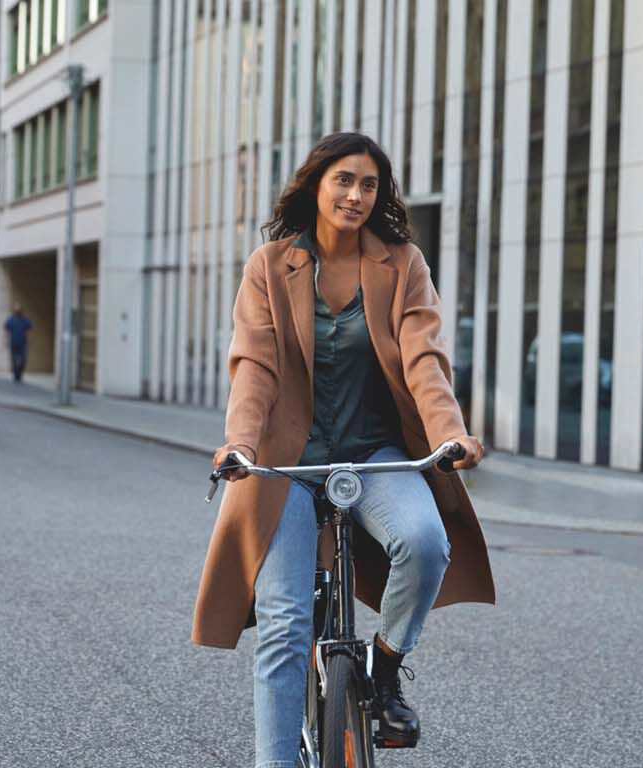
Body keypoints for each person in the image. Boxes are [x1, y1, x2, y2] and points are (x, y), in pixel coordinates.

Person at [194, 132, 496, 768]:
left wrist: (448, 432)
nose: (356, 195)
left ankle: (383, 671)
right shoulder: (271, 265)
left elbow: (424, 359)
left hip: (374, 453)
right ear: (316, 185)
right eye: (344, 181)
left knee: (424, 541)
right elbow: (256, 366)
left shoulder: (402, 263)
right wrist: (240, 444)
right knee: (283, 623)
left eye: (369, 184)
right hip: (287, 464)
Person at [4, 304, 32, 383]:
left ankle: (20, 372)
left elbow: (28, 331)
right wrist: (5, 341)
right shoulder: (11, 319)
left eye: (19, 309)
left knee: (23, 359)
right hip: (13, 342)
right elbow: (7, 331)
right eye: (16, 309)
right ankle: (16, 374)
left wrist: (29, 341)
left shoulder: (25, 319)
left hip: (22, 343)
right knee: (13, 359)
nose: (17, 311)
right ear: (14, 310)